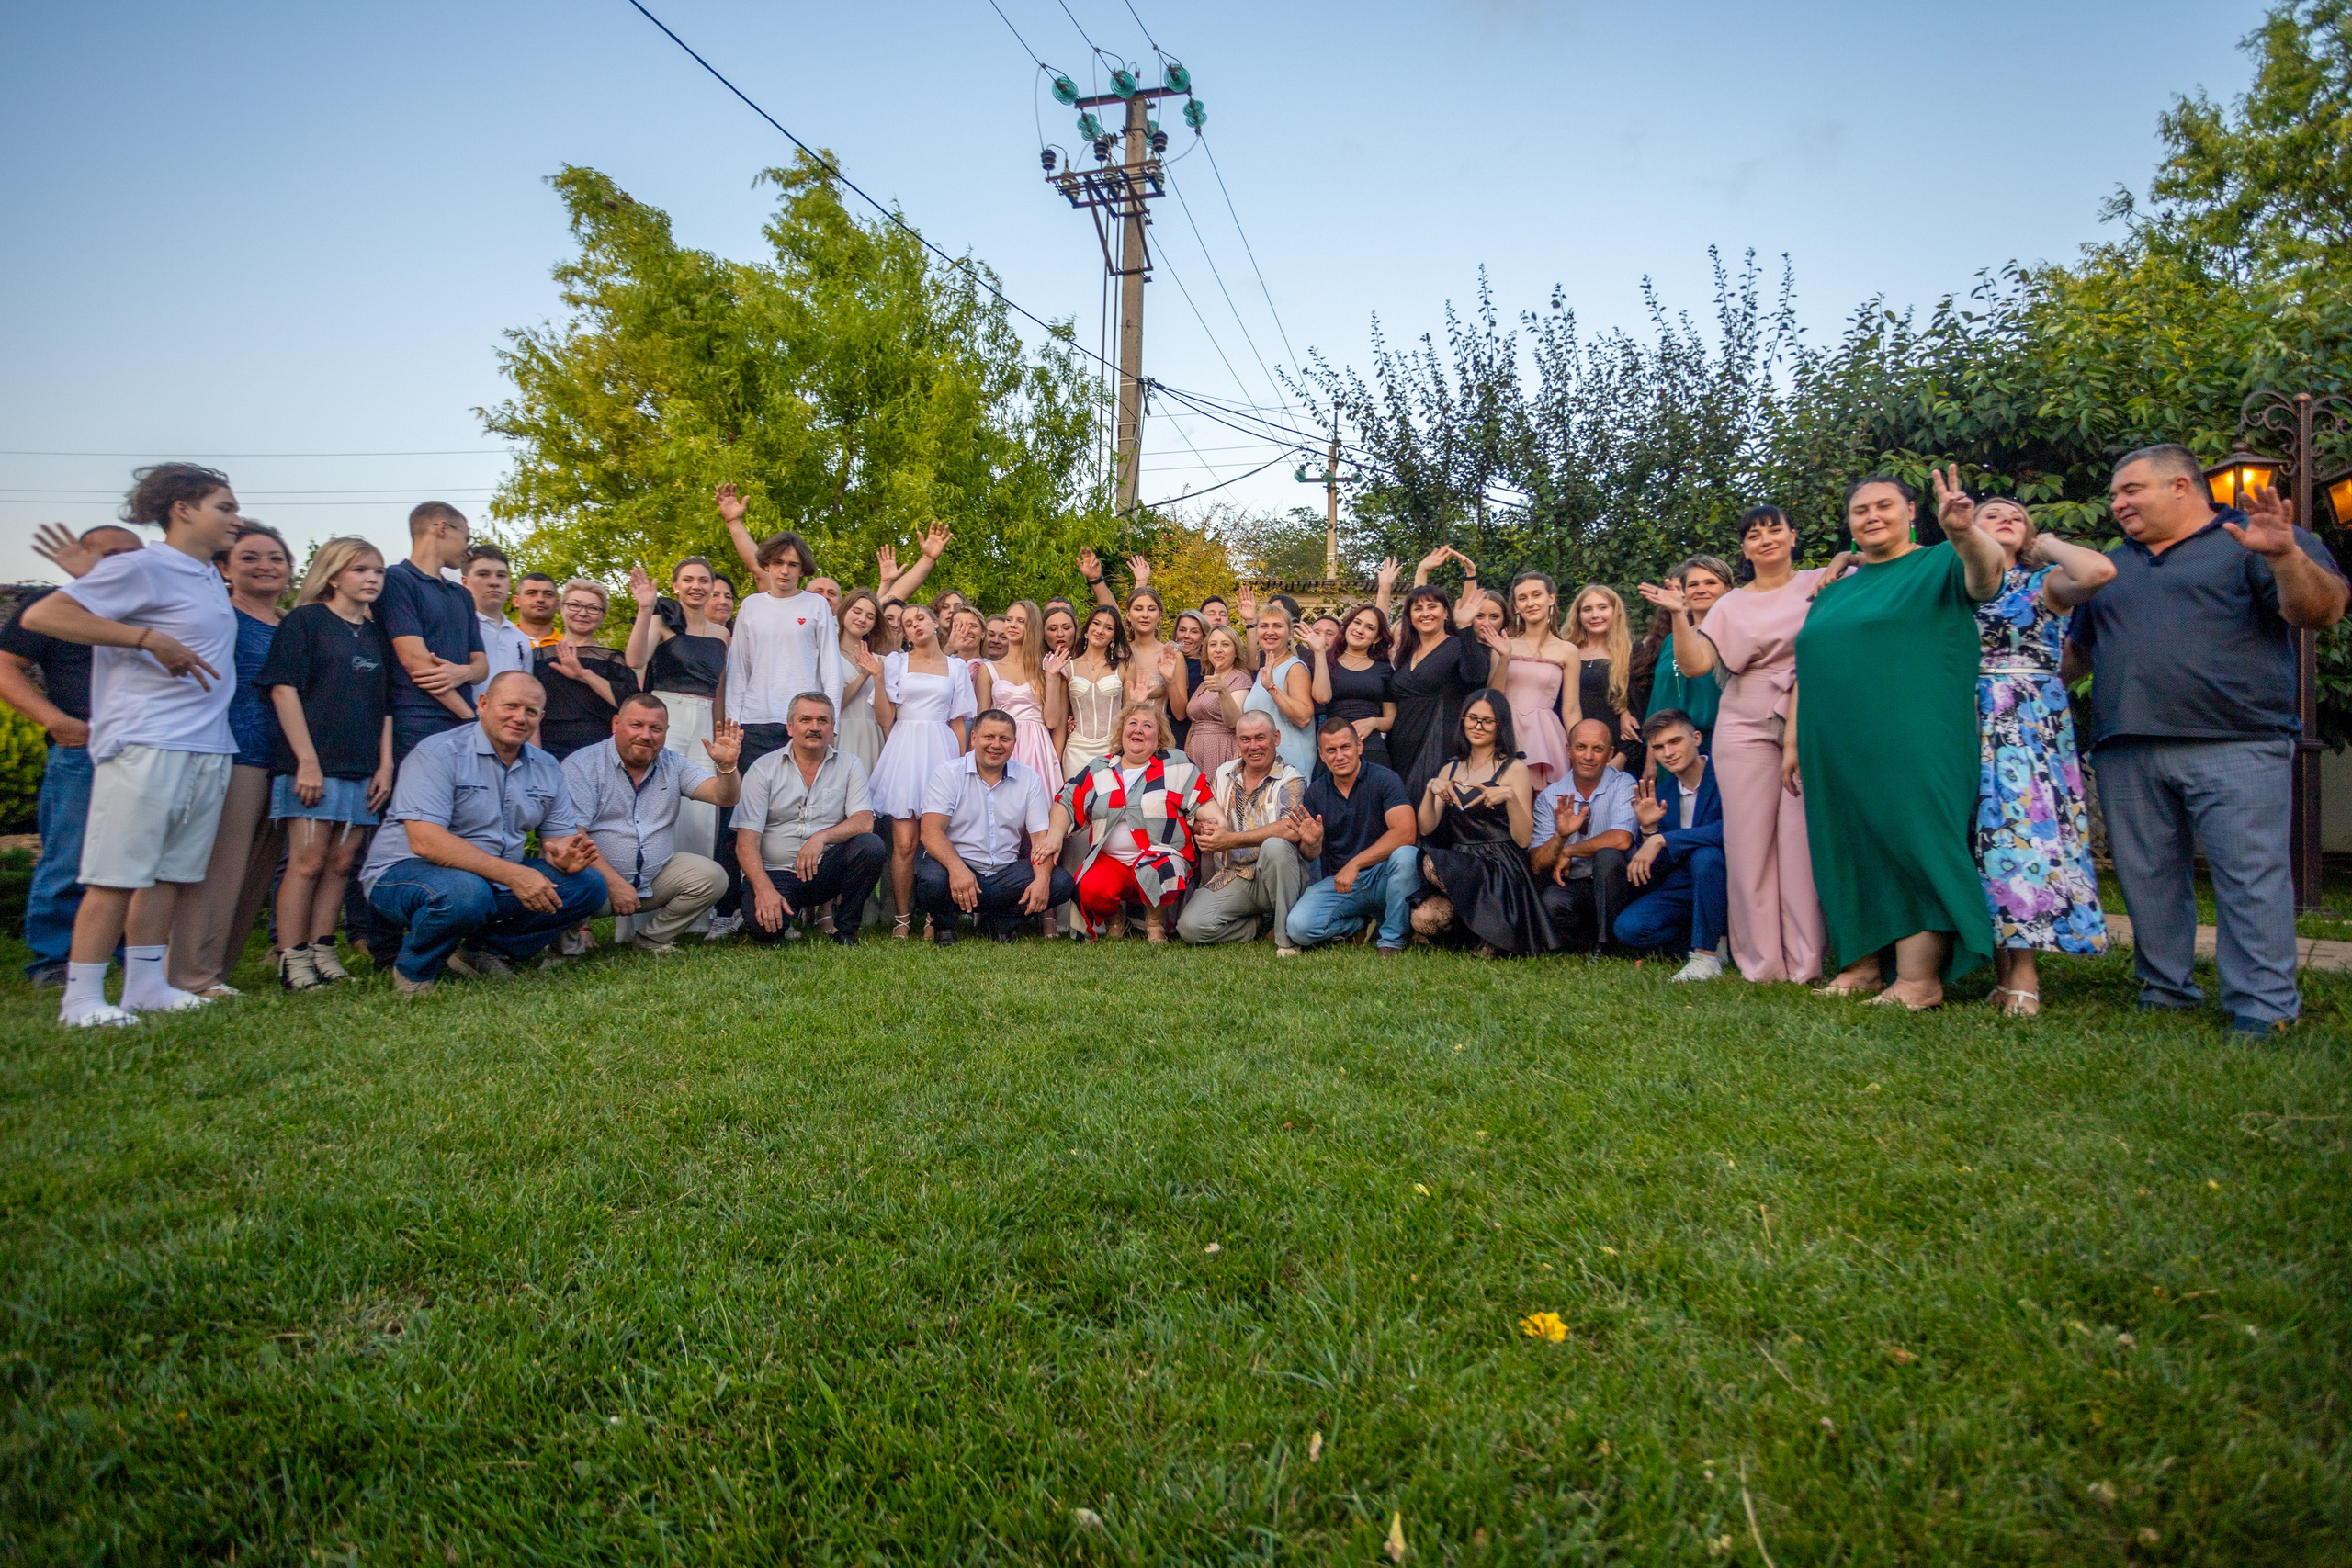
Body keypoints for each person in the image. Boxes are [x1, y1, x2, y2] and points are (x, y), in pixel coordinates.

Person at [2065, 444, 2347, 1034]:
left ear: (2181, 487)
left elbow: (2319, 612)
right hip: (2126, 745)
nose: (2116, 503)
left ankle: (2263, 1007)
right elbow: (2078, 655)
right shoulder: (2114, 566)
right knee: (2148, 881)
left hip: (2236, 740)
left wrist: (2285, 555)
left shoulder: (2255, 538)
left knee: (2249, 877)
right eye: (2115, 494)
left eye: (2130, 490)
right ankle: (2165, 989)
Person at [20, 466, 244, 1025]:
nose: (235, 519)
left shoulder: (205, 576)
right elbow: (45, 614)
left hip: (206, 744)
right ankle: (81, 999)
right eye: (224, 507)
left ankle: (146, 986)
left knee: (170, 874)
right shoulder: (144, 566)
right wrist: (145, 637)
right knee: (117, 875)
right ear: (181, 508)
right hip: (147, 742)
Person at [1794, 469, 2007, 1009]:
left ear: (1912, 512)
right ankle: (1862, 965)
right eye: (1860, 510)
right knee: (1848, 843)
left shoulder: (1939, 563)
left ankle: (1919, 980)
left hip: (1916, 734)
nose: (1871, 517)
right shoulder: (1836, 590)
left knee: (1918, 840)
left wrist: (1962, 533)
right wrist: (1794, 739)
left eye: (1884, 506)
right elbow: (1809, 666)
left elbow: (1987, 580)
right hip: (1835, 740)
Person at [358, 672, 605, 992]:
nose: (520, 717)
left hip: (488, 876)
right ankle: (415, 972)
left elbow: (557, 839)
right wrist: (514, 876)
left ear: (540, 718)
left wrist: (564, 858)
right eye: (511, 706)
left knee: (588, 885)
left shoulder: (547, 767)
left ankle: (483, 951)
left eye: (531, 712)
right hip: (403, 872)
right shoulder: (438, 754)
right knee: (466, 892)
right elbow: (425, 841)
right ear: (484, 704)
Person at [1668, 505, 1831, 984]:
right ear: (1743, 548)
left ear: (1793, 535)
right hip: (1742, 717)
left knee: (1799, 841)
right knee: (1748, 842)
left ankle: (1806, 960)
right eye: (1753, 534)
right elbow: (1697, 664)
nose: (1765, 539)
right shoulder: (1730, 604)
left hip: (1808, 709)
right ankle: (1760, 963)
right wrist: (1680, 615)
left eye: (1774, 529)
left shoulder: (1822, 582)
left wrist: (1841, 559)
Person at [1972, 497, 2116, 1016]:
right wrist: (1840, 561)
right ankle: (1999, 972)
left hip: (2026, 724)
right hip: (1961, 718)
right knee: (1976, 840)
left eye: (2017, 516)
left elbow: (2099, 570)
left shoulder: (2044, 584)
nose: (2006, 519)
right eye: (1992, 515)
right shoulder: (1953, 587)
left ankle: (2025, 975)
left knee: (2020, 838)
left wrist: (2046, 545)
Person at [3, 525, 147, 987]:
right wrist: (57, 722)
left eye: (131, 555)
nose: (122, 563)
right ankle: (54, 959)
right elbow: (6, 667)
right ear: (80, 556)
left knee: (141, 857)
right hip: (82, 750)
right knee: (71, 857)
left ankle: (131, 952)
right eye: (110, 554)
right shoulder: (52, 606)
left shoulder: (153, 609)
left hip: (147, 747)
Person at [254, 536, 395, 991]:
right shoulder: (305, 622)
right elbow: (283, 688)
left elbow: (387, 705)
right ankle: (291, 958)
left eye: (377, 571)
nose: (371, 578)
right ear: (333, 575)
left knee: (341, 863)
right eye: (360, 570)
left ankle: (323, 949)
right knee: (307, 861)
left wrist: (386, 765)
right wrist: (306, 762)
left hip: (364, 765)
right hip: (313, 763)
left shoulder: (377, 634)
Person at [715, 484, 839, 924]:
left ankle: (798, 902)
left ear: (802, 569)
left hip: (804, 725)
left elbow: (831, 671)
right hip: (754, 723)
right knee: (739, 816)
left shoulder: (817, 608)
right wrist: (733, 725)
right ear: (766, 564)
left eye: (793, 564)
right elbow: (740, 668)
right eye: (778, 563)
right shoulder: (750, 606)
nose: (785, 570)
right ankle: (727, 909)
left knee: (802, 810)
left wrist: (831, 722)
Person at [563, 693, 743, 952]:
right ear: (616, 724)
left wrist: (727, 767)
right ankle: (569, 942)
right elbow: (573, 836)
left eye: (655, 728)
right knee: (565, 879)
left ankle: (651, 940)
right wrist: (614, 883)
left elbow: (723, 796)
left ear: (666, 732)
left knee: (712, 876)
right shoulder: (583, 765)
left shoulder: (673, 763)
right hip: (596, 886)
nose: (646, 735)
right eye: (637, 725)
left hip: (651, 881)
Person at [1045, 701, 1213, 942]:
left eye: (1147, 725)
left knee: (1162, 870)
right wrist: (1054, 835)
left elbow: (1204, 801)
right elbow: (1066, 800)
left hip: (1158, 855)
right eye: (1132, 723)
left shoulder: (1175, 764)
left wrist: (1217, 824)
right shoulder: (1100, 767)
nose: (1138, 730)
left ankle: (1154, 923)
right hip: (1111, 860)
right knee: (1089, 888)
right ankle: (1117, 918)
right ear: (1122, 731)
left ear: (1159, 735)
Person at [856, 603, 978, 935]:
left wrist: (962, 764)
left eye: (920, 618)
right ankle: (902, 918)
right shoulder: (895, 663)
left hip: (942, 749)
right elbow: (885, 719)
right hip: (905, 748)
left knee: (938, 839)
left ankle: (933, 917)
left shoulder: (956, 668)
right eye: (908, 623)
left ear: (936, 622)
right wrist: (879, 680)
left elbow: (957, 722)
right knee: (906, 843)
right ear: (905, 632)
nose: (914, 625)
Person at [732, 692, 888, 944]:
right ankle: (766, 912)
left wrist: (821, 837)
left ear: (832, 729)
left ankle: (845, 930)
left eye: (822, 721)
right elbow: (746, 841)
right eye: (805, 720)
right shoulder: (763, 768)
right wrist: (763, 890)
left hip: (823, 870)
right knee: (766, 932)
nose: (814, 727)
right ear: (790, 727)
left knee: (870, 846)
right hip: (775, 873)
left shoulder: (850, 765)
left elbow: (863, 821)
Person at [1408, 691, 1555, 956]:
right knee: (1423, 918)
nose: (1478, 726)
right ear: (1462, 721)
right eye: (1472, 718)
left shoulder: (1514, 769)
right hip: (1463, 859)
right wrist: (1430, 790)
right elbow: (1426, 828)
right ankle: (1477, 932)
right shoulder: (1449, 770)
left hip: (1501, 865)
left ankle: (1493, 934)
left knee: (1433, 865)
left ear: (1501, 726)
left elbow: (1523, 839)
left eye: (1487, 721)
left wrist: (1510, 798)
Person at [914, 709, 1076, 942]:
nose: (996, 745)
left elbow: (1041, 838)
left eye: (1004, 739)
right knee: (931, 881)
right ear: (974, 738)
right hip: (959, 871)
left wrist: (1041, 879)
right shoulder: (948, 774)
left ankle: (998, 924)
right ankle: (945, 926)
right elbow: (930, 832)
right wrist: (957, 868)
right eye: (989, 737)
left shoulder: (1028, 778)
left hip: (1004, 875)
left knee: (1059, 882)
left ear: (1014, 743)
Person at [623, 558, 731, 874]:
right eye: (688, 580)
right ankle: (648, 892)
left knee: (701, 807)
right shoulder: (661, 621)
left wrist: (719, 729)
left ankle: (696, 903)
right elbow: (634, 658)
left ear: (712, 587)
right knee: (659, 798)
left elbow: (720, 689)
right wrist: (645, 609)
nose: (696, 586)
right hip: (665, 716)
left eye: (703, 580)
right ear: (675, 585)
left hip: (704, 720)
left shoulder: (722, 634)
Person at [1283, 717, 1419, 955]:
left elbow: (1406, 833)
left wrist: (1355, 864)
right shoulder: (1316, 791)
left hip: (1384, 877)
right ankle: (1357, 925)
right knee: (1298, 928)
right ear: (1322, 755)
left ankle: (1391, 940)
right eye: (1331, 750)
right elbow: (1310, 854)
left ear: (1359, 747)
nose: (1339, 756)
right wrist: (1312, 843)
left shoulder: (1385, 779)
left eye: (1345, 747)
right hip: (1341, 884)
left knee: (1408, 856)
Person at [1178, 710, 1308, 951]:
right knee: (1190, 927)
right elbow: (1198, 814)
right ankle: (1254, 926)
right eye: (1246, 739)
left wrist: (1229, 841)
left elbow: (1291, 829)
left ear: (1276, 738)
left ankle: (1286, 941)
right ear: (1237, 742)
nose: (1253, 746)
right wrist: (1207, 829)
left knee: (1276, 846)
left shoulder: (1291, 778)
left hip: (1278, 875)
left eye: (1261, 738)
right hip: (1235, 875)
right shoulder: (1223, 774)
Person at [1613, 709, 1728, 980]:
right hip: (1684, 885)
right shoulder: (1661, 794)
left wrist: (1663, 839)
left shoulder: (1726, 774)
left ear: (1697, 738)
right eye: (1659, 747)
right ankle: (1715, 942)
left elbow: (1733, 831)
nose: (1668, 752)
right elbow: (1662, 869)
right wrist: (1649, 828)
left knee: (1706, 856)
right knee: (1628, 928)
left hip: (1728, 879)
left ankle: (1706, 957)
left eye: (1675, 741)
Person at [1532, 717, 1638, 953]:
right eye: (1581, 747)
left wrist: (1569, 850)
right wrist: (1560, 837)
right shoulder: (1550, 797)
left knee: (1608, 856)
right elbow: (1538, 864)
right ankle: (1593, 941)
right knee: (1551, 903)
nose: (1588, 756)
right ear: (1569, 750)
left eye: (1597, 749)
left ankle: (1608, 945)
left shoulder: (1623, 784)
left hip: (1618, 886)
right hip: (1578, 886)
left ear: (1610, 754)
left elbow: (1622, 838)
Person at [1387, 583, 1502, 800]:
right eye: (1418, 608)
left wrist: (1466, 627)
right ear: (1410, 617)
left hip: (1438, 743)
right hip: (1400, 745)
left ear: (1445, 612)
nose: (1426, 613)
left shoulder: (1459, 645)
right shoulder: (1406, 653)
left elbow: (1476, 677)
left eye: (1432, 606)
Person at [1634, 556, 1735, 751]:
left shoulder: (1738, 633)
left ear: (1728, 590)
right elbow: (1658, 700)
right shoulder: (1672, 641)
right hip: (1669, 749)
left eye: (1710, 583)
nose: (1701, 589)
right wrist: (1651, 759)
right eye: (1693, 584)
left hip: (1720, 743)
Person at [531, 579, 638, 760]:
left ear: (603, 615)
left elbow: (631, 706)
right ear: (561, 608)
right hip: (547, 749)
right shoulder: (539, 656)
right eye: (574, 605)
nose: (583, 613)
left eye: (593, 608)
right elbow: (529, 705)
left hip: (597, 751)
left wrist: (583, 674)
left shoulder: (614, 660)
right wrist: (536, 755)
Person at [1501, 573, 1577, 789]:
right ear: (1516, 606)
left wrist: (1579, 748)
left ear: (1551, 598)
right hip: (1507, 730)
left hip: (1545, 736)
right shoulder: (1505, 644)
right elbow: (1493, 695)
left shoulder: (1568, 651)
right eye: (1522, 598)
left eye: (1537, 595)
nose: (1531, 603)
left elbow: (1571, 709)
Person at [987, 600, 1065, 786]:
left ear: (1032, 627)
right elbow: (982, 719)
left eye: (1021, 621)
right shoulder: (988, 669)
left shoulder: (1047, 666)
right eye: (1009, 619)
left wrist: (1052, 677)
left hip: (1037, 746)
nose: (1012, 624)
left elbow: (1053, 721)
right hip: (1001, 743)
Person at [1315, 604, 1396, 775]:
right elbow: (1321, 697)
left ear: (1376, 638)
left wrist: (1373, 722)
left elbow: (1391, 719)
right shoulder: (1327, 662)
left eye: (1369, 627)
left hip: (1371, 749)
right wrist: (1319, 653)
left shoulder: (1384, 669)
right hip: (1334, 748)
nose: (1360, 630)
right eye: (1357, 622)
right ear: (1348, 625)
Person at [1566, 583, 1639, 772]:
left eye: (1603, 607)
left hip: (1615, 754)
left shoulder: (1633, 652)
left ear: (1616, 612)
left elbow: (1639, 713)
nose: (1595, 615)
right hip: (1569, 749)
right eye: (1587, 609)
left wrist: (1622, 757)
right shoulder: (1565, 650)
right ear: (1579, 616)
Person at [1243, 601, 1317, 777]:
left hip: (1289, 769)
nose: (1270, 632)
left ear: (1290, 633)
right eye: (1264, 626)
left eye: (1277, 626)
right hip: (1264, 767)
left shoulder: (1295, 668)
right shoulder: (1266, 669)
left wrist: (1271, 687)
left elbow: (1304, 717)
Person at [1059, 604, 1128, 778]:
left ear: (1114, 636)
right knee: (1074, 802)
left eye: (1108, 627)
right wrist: (1055, 758)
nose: (1100, 630)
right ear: (1087, 628)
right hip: (1076, 749)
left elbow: (1129, 714)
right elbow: (1060, 719)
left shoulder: (1125, 667)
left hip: (1111, 747)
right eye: (1096, 623)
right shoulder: (1068, 666)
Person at [462, 545, 534, 705]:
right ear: (465, 582)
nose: (494, 582)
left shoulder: (520, 639)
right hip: (462, 723)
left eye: (501, 575)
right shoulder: (455, 628)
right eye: (483, 574)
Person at [1182, 625, 1252, 776]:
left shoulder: (1239, 678)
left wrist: (1223, 691)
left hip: (1222, 748)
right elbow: (1195, 722)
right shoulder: (1204, 683)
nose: (1218, 650)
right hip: (1195, 751)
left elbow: (1235, 721)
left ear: (1235, 651)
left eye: (1225, 644)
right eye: (1213, 644)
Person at [833, 588, 890, 776]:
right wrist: (863, 676)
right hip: (841, 734)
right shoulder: (828, 657)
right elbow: (832, 706)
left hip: (873, 736)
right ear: (844, 612)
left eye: (870, 616)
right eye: (856, 611)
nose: (862, 619)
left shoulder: (881, 661)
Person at [512, 571, 562, 647]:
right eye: (531, 593)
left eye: (548, 594)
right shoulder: (500, 641)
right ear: (516, 601)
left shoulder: (570, 646)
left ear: (558, 604)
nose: (540, 599)